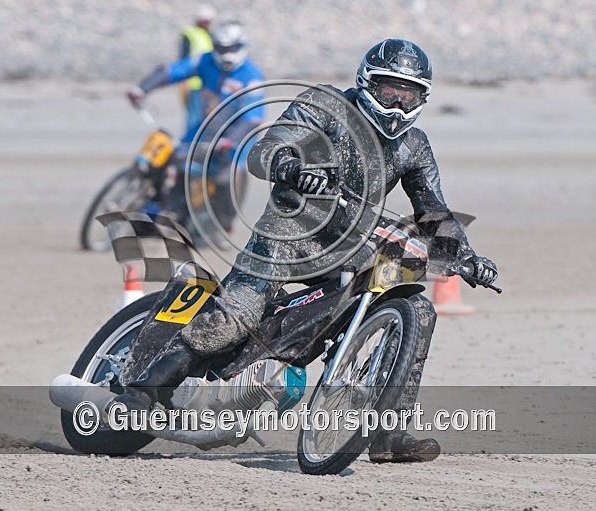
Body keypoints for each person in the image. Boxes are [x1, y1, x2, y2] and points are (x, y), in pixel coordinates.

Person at [130, 39, 498, 463]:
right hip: (286, 235)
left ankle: (388, 434)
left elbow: (433, 211)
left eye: (407, 95)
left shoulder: (414, 146)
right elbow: (266, 148)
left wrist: (467, 257)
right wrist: (291, 167)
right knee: (238, 316)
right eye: (387, 91)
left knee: (419, 309)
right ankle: (143, 392)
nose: (396, 105)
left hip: (350, 247)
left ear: (422, 98)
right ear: (365, 83)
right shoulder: (324, 106)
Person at [127, 20, 264, 233]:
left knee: (223, 179)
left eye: (232, 48)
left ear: (242, 46)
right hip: (204, 129)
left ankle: (223, 225)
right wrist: (143, 88)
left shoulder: (252, 78)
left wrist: (229, 141)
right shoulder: (205, 60)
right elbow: (172, 71)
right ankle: (157, 208)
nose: (227, 54)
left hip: (235, 139)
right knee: (169, 160)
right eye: (221, 48)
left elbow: (252, 119)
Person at [178, 5, 216, 133]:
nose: (207, 24)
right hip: (193, 83)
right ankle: (190, 144)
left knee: (206, 116)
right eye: (204, 21)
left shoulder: (210, 35)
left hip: (207, 84)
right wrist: (184, 82)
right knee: (193, 118)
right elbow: (183, 58)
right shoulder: (190, 33)